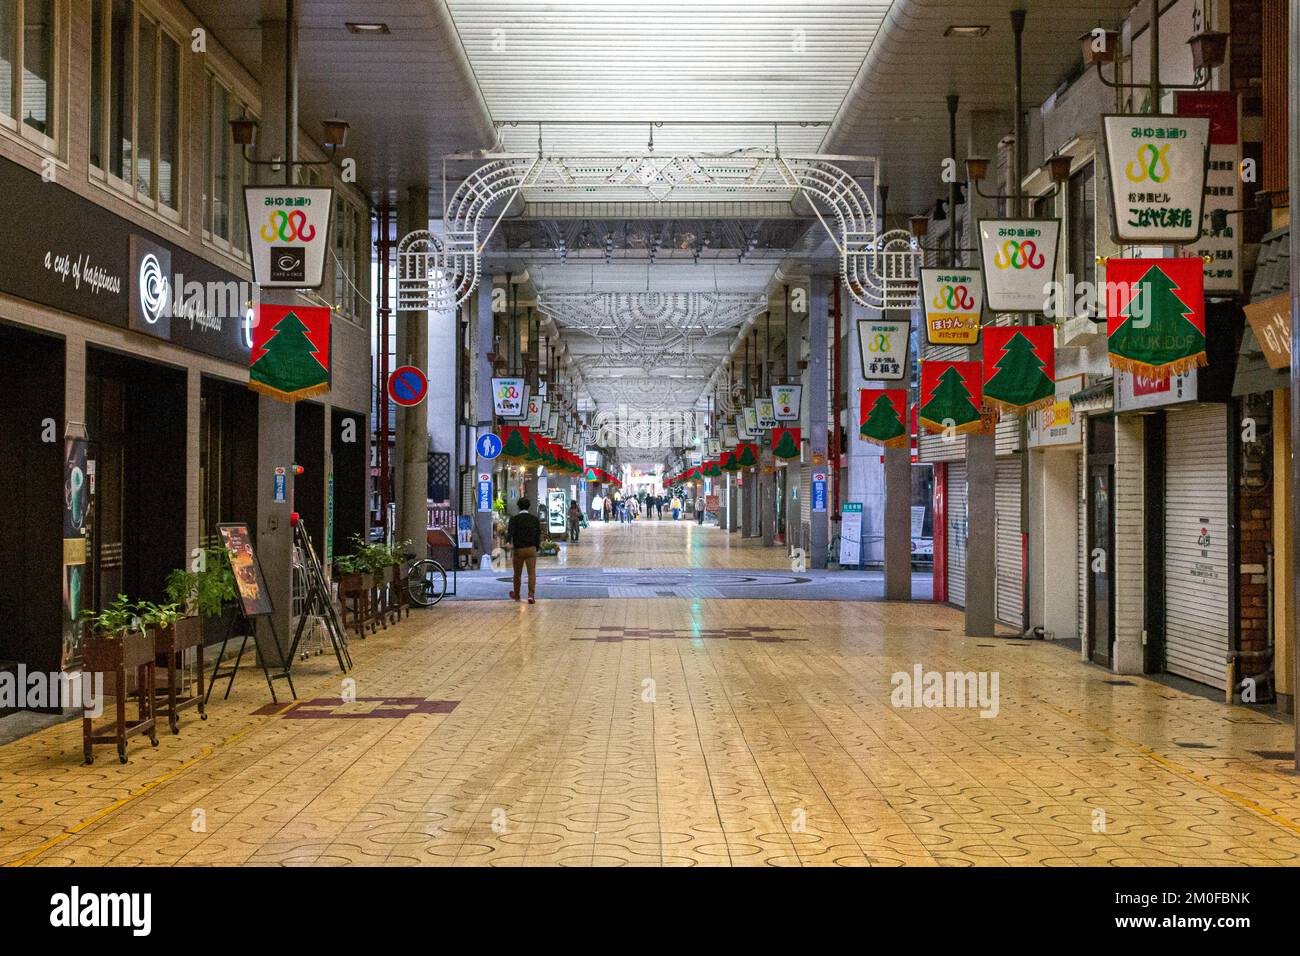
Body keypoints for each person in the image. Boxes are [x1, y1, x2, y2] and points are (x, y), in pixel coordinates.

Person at [507, 497, 542, 604]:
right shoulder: (534, 519)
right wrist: (537, 546)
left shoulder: (514, 519)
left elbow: (510, 533)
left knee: (517, 574)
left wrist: (509, 542)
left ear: (518, 507)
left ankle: (517, 595)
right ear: (529, 507)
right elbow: (538, 534)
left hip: (519, 549)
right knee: (532, 573)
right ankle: (531, 595)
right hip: (531, 549)